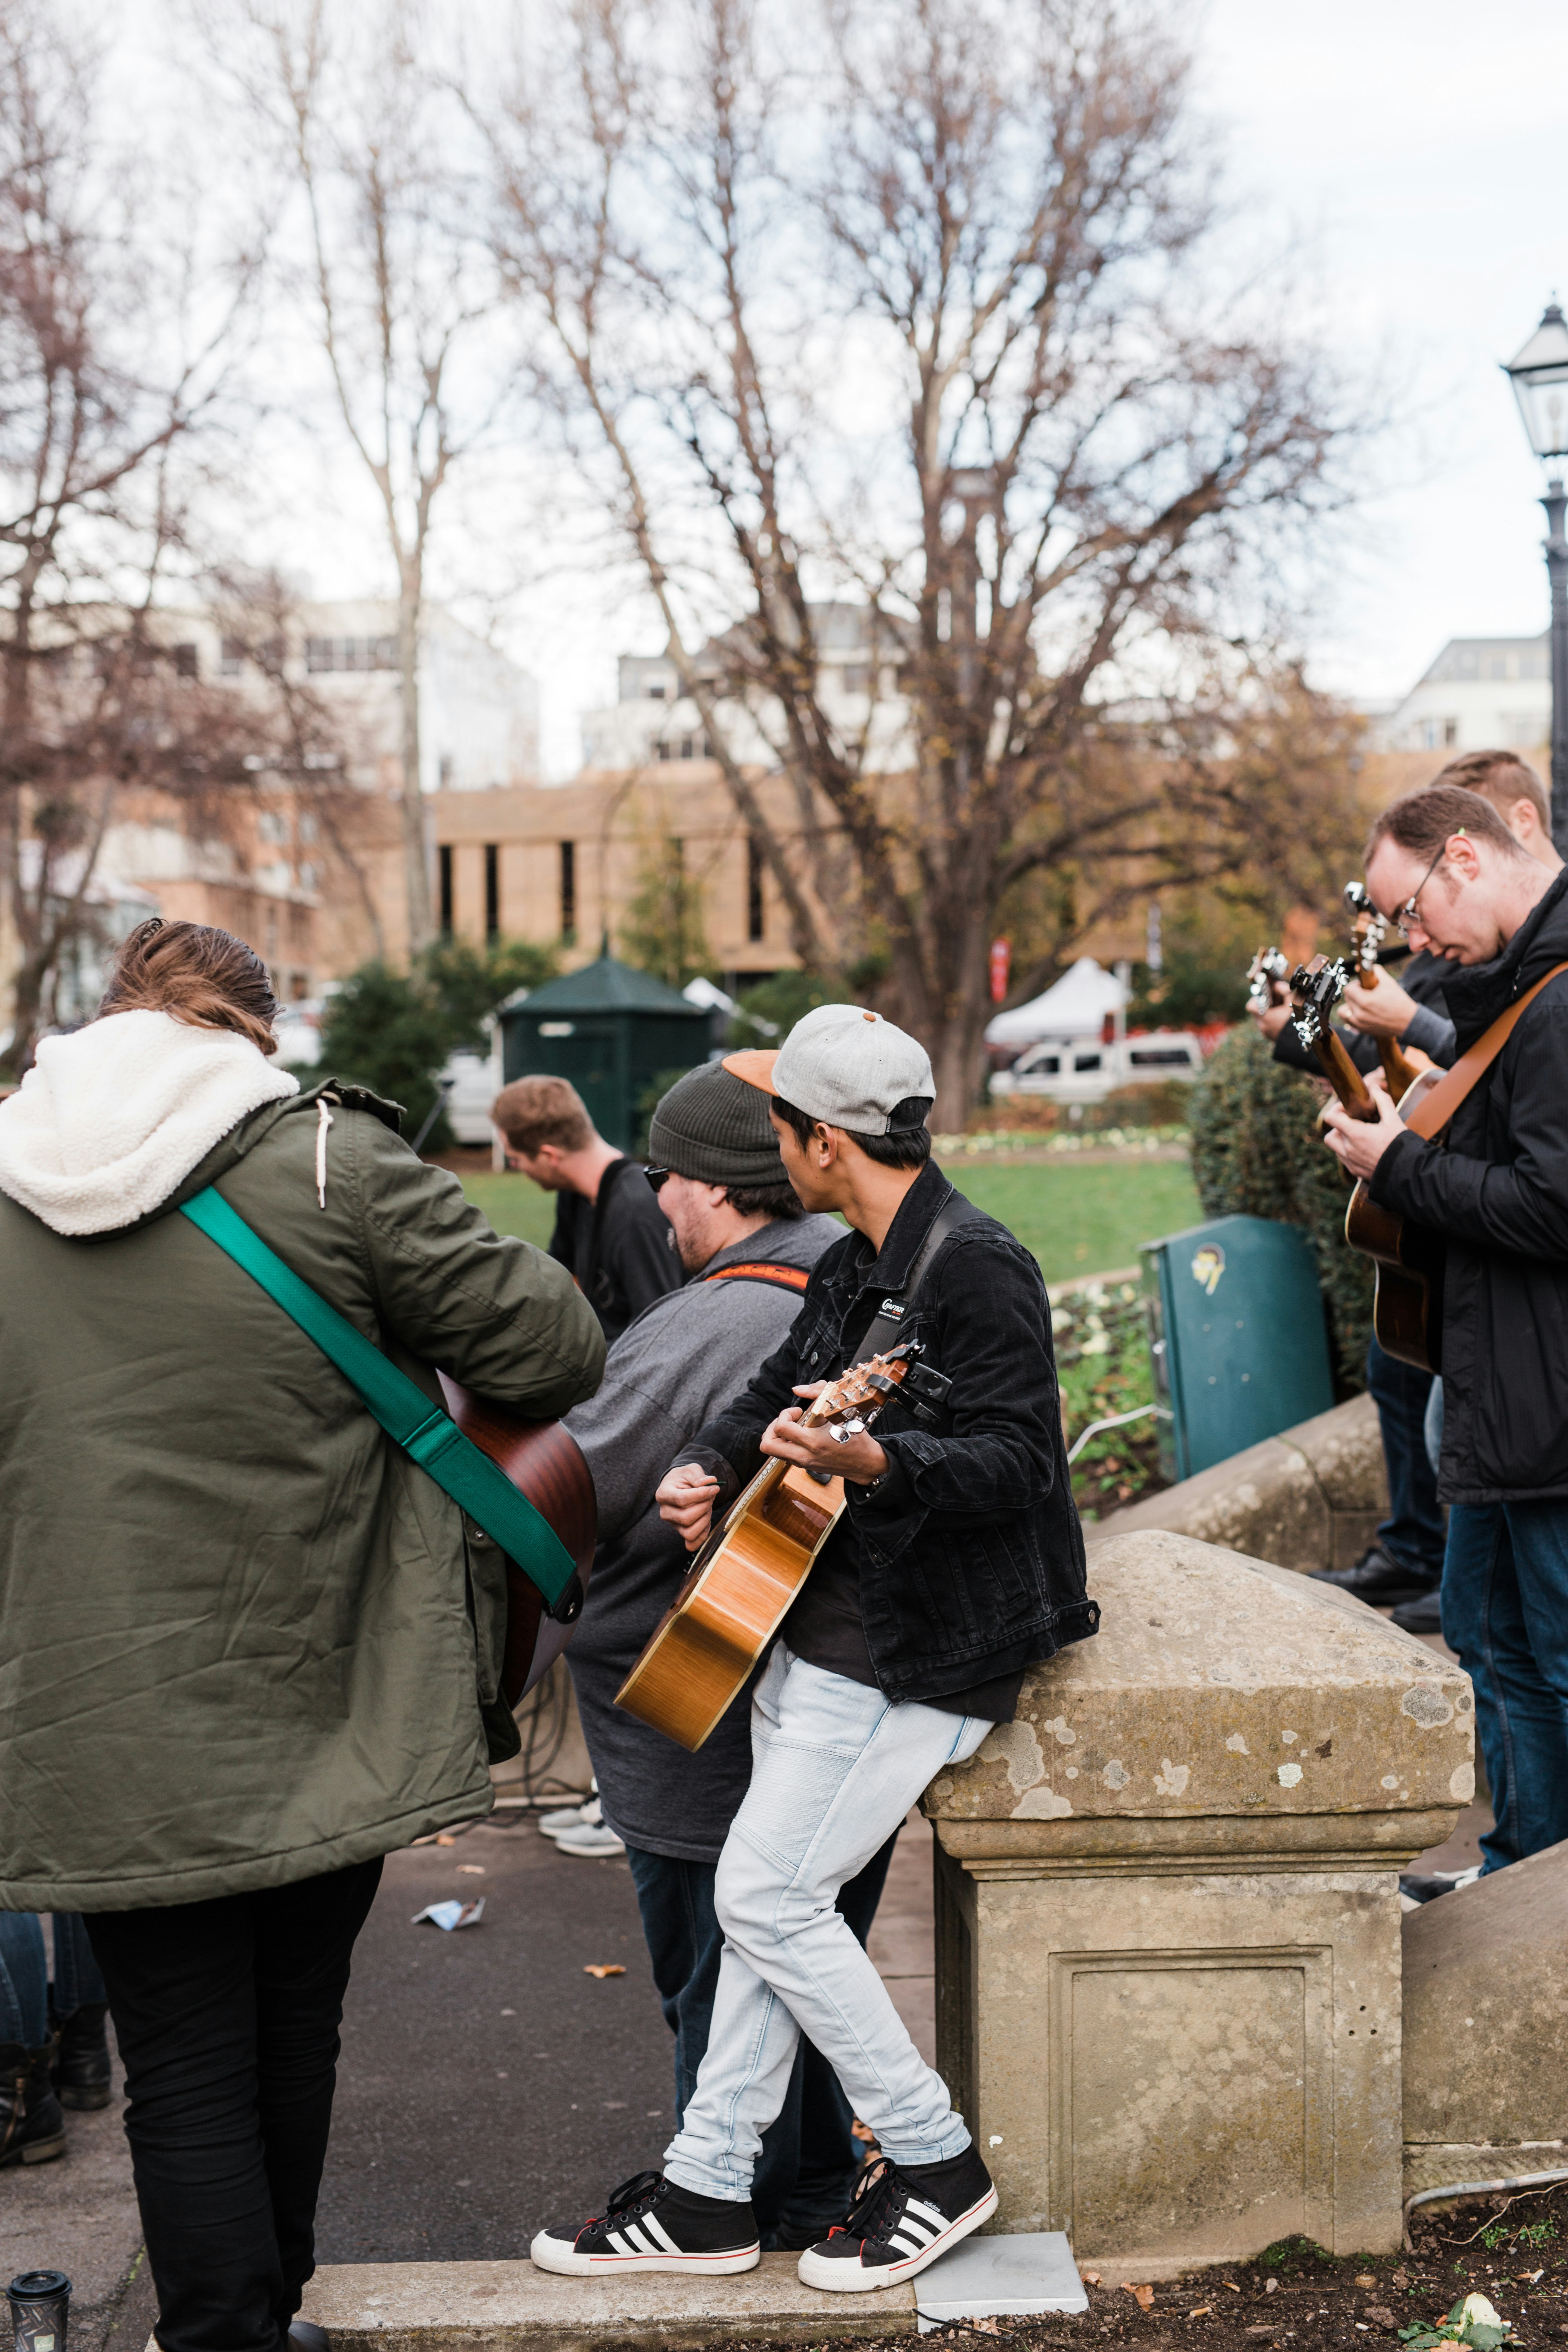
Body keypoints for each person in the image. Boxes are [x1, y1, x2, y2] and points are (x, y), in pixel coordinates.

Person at [0, 919, 606, 2352]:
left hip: (91, 1703)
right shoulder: (327, 1160)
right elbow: (554, 1348)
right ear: (249, 1034)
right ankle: (256, 2317)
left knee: (186, 2061)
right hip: (330, 1678)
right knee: (294, 2026)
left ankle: (229, 2330)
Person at [533, 1004, 1096, 2292]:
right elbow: (770, 1387)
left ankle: (933, 2160)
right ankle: (708, 2189)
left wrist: (874, 1457)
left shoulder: (975, 1265)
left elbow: (1016, 1462)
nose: (770, 1155)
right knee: (763, 1910)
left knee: (764, 1901)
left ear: (820, 1143)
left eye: (780, 1131)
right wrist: (702, 1463)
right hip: (820, 1629)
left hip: (925, 1653)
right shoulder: (858, 1258)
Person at [560, 1060, 882, 2250]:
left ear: (710, 1185)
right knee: (801, 1954)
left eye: (663, 1179)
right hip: (820, 1699)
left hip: (699, 1711)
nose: (654, 1205)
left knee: (712, 1971)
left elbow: (575, 1481)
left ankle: (720, 2202)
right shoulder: (850, 1277)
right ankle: (801, 2195)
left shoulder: (719, 1311)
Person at [1323, 785, 1568, 1876]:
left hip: (1543, 1407)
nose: (1414, 941)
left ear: (1463, 856)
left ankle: (1539, 1891)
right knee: (1485, 1635)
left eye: (1412, 910)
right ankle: (1518, 1858)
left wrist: (1398, 1166)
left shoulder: (1555, 999)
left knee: (1543, 1656)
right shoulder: (1510, 981)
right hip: (1499, 1396)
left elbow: (1554, 1207)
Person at [492, 1074, 683, 1344]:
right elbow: (562, 1283)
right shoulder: (574, 1194)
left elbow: (661, 1337)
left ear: (549, 1156)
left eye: (515, 1159)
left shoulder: (638, 1213)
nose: (515, 1167)